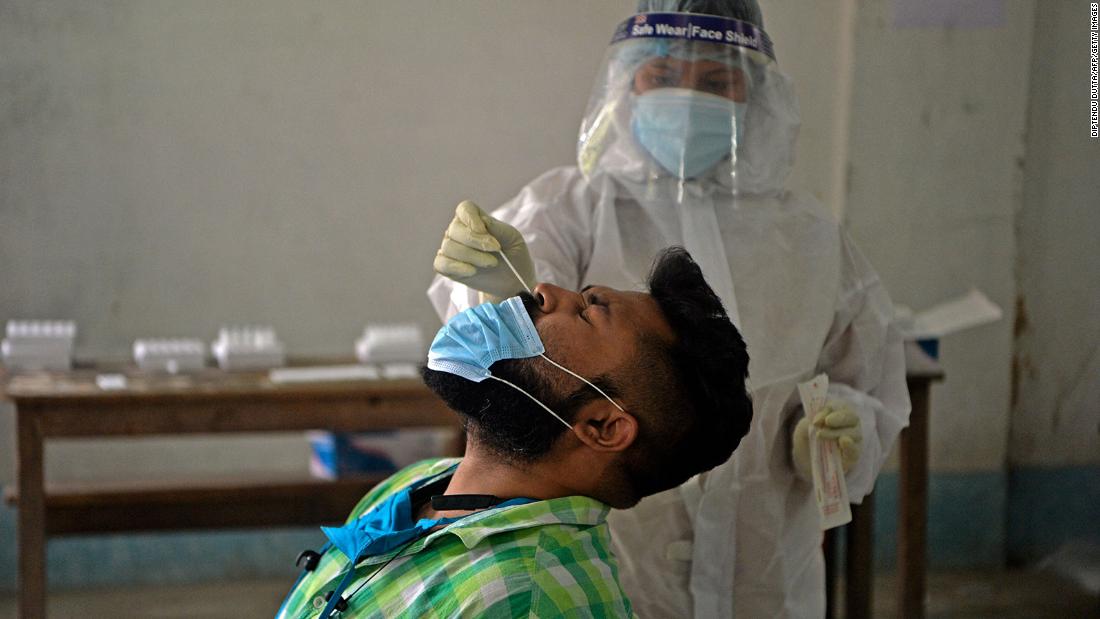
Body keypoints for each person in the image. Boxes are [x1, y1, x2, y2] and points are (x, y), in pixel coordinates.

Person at [428, 1, 911, 617]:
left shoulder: (809, 236)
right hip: (608, 568)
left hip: (766, 572)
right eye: (663, 74)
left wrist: (843, 434)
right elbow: (507, 357)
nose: (687, 96)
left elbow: (868, 378)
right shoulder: (571, 209)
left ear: (755, 91)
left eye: (715, 80)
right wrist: (487, 287)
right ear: (627, 80)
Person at [278, 247, 753, 618]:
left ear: (602, 426)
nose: (545, 291)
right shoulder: (419, 483)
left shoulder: (532, 600)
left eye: (587, 312)